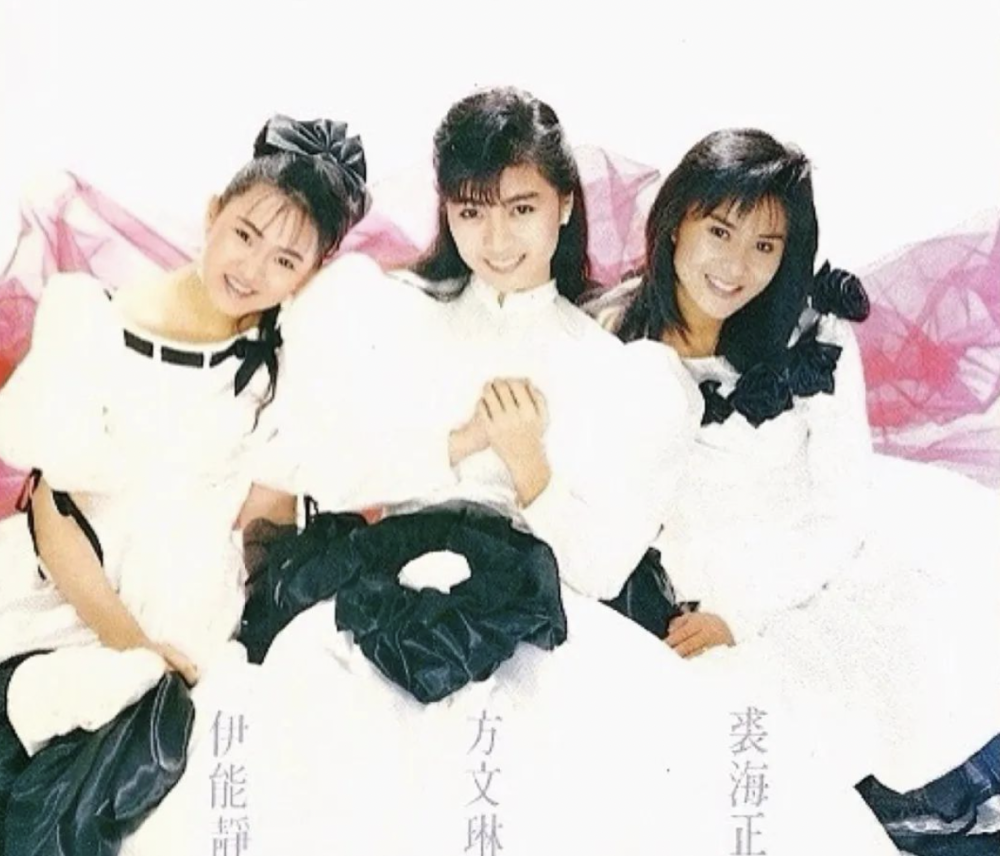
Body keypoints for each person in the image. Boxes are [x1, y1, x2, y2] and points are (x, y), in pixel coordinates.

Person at [244, 93, 897, 856]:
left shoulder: (615, 367)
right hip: (367, 601)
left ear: (563, 206)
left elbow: (595, 565)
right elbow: (320, 473)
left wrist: (531, 468)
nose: (496, 240)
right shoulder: (389, 310)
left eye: (521, 209)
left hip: (532, 622)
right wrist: (457, 444)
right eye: (471, 211)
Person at [601, 127, 1000, 849]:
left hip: (828, 568)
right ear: (677, 221)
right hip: (701, 586)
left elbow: (843, 506)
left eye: (765, 245)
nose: (736, 266)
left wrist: (742, 612)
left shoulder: (814, 336)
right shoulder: (614, 338)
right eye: (720, 231)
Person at [0, 114, 369, 855]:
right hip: (75, 604)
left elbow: (262, 504)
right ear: (211, 214)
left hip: (194, 616)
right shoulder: (90, 317)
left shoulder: (281, 358)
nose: (252, 269)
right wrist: (132, 646)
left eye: (285, 260)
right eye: (244, 235)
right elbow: (52, 513)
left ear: (310, 275)